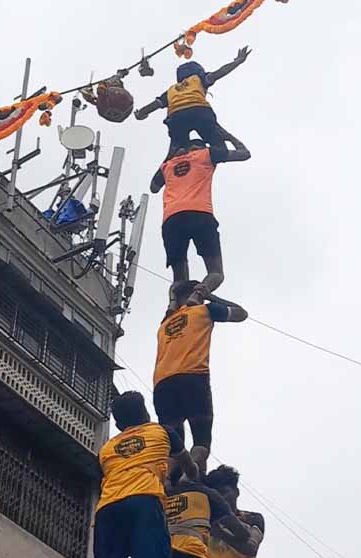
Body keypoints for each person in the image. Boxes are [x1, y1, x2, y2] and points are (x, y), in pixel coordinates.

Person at [95, 391, 197, 558]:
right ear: (146, 413)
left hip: (108, 508)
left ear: (118, 425)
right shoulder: (163, 433)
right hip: (144, 502)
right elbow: (191, 468)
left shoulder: (106, 449)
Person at [153, 281, 248, 474]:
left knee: (174, 444)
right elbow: (241, 313)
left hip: (162, 384)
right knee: (202, 440)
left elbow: (171, 308)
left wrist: (173, 301)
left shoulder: (164, 325)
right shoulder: (205, 310)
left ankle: (167, 484)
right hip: (193, 377)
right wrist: (210, 296)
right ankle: (188, 479)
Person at [150, 132, 250, 305]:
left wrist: (170, 156)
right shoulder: (206, 155)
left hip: (171, 219)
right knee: (216, 273)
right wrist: (227, 136)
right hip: (200, 214)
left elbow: (153, 187)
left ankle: (174, 305)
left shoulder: (168, 165)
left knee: (179, 277)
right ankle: (198, 294)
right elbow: (244, 153)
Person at [134, 48, 253, 158]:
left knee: (173, 155)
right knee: (219, 148)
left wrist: (141, 113)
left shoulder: (172, 89)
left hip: (176, 117)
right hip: (200, 112)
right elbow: (220, 72)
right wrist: (237, 61)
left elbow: (156, 104)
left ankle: (166, 170)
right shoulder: (199, 78)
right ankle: (215, 155)